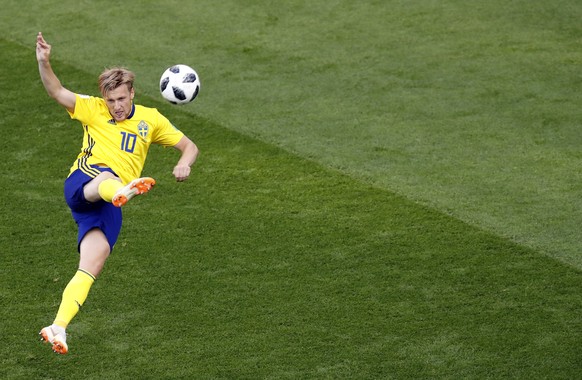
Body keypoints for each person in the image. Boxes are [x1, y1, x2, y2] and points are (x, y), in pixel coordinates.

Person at [35, 32, 199, 354]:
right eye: (110, 101)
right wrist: (44, 61)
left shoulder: (151, 120)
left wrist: (184, 164)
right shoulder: (93, 109)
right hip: (84, 183)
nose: (116, 106)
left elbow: (189, 146)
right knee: (107, 176)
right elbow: (56, 90)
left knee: (92, 265)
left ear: (132, 93)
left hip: (109, 204)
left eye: (121, 99)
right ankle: (121, 189)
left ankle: (58, 326)